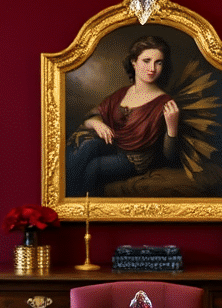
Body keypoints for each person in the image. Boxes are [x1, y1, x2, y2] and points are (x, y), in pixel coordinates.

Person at [67, 35, 180, 197]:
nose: (152, 68)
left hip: (134, 160)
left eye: (159, 62)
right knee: (86, 147)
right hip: (114, 146)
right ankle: (63, 202)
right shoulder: (122, 93)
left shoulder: (165, 102)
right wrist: (95, 123)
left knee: (94, 167)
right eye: (146, 61)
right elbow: (93, 116)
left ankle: (76, 208)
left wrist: (172, 127)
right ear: (134, 62)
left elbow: (170, 158)